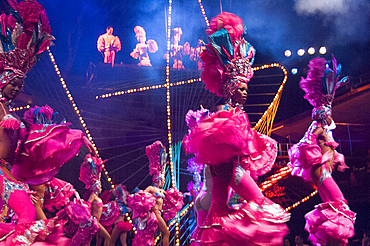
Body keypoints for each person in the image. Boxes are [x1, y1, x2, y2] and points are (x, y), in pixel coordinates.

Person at [183, 12, 290, 245]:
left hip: (224, 177)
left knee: (218, 214)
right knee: (261, 205)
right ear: (230, 88)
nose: (245, 92)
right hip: (229, 171)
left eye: (245, 88)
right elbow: (222, 156)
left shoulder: (232, 114)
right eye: (241, 88)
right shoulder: (226, 114)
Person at [0, 0, 70, 244]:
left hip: (10, 174)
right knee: (27, 217)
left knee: (28, 219)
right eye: (14, 84)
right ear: (2, 80)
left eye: (20, 86)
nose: (17, 89)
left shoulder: (7, 109)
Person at [288, 56, 356, 246]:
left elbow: (327, 146)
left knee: (334, 209)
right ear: (321, 113)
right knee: (341, 205)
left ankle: (332, 240)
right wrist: (319, 157)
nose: (330, 115)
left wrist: (334, 157)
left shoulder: (325, 130)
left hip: (324, 171)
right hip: (321, 172)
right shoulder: (317, 127)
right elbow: (301, 147)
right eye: (328, 112)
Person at [79, 154, 112, 246]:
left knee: (94, 241)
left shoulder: (97, 197)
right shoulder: (93, 195)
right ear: (96, 187)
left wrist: (99, 173)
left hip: (96, 223)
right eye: (99, 185)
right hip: (93, 222)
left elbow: (98, 179)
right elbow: (87, 205)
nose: (101, 186)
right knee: (107, 237)